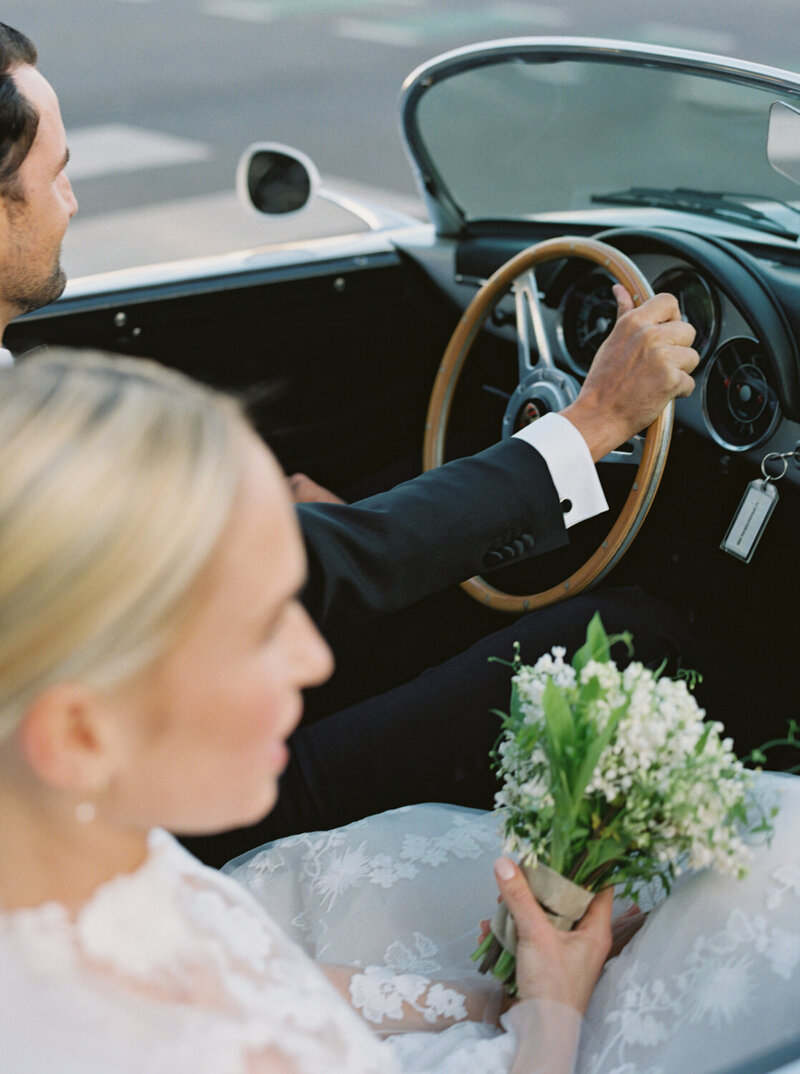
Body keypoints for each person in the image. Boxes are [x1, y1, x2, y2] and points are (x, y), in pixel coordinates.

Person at [0, 22, 706, 864]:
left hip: (137, 682)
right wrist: (594, 422)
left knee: (411, 550)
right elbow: (297, 572)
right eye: (59, 176)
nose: (74, 202)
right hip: (167, 806)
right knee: (626, 634)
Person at [2, 350, 799, 1074]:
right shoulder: (97, 1040)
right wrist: (552, 1019)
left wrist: (492, 1004)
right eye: (257, 629)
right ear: (77, 735)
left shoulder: (84, 867)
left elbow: (253, 979)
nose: (312, 660)